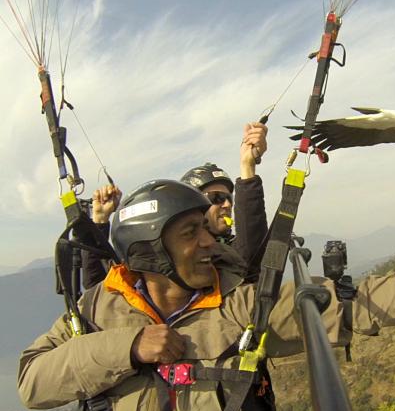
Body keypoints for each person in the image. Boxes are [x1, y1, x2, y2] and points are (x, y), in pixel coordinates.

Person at [18, 179, 395, 411]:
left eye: (207, 226)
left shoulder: (241, 307)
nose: (209, 240)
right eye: (190, 233)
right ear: (149, 254)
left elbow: (345, 308)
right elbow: (33, 382)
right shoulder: (94, 310)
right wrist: (126, 347)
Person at [82, 122, 268, 288]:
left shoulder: (233, 255)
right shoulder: (161, 256)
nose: (227, 204)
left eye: (230, 198)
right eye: (216, 197)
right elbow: (99, 291)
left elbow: (248, 254)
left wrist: (247, 168)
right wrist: (99, 221)